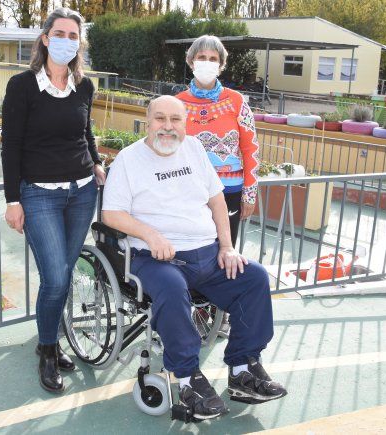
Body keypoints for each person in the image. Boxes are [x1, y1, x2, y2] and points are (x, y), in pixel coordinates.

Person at [102, 96, 286, 420]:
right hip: (155, 259)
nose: (168, 127)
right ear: (148, 121)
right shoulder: (129, 161)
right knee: (172, 290)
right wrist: (151, 234)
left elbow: (217, 201)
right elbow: (111, 214)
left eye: (176, 120)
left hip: (207, 253)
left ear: (185, 123)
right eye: (160, 119)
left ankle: (243, 369)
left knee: (254, 278)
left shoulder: (194, 149)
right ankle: (188, 380)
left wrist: (227, 247)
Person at [1, 7, 106, 394]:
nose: (66, 41)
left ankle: (53, 337)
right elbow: (10, 146)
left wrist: (95, 163)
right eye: (59, 33)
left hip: (82, 193)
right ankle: (47, 349)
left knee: (62, 272)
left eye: (73, 35)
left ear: (80, 43)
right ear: (45, 38)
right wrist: (14, 200)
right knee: (57, 278)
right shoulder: (22, 86)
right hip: (39, 195)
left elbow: (86, 132)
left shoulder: (85, 86)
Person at [175, 35, 261, 337]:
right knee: (191, 250)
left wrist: (250, 191)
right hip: (189, 193)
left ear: (221, 65)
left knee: (225, 252)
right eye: (202, 58)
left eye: (213, 59)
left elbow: (251, 150)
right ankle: (188, 310)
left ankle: (218, 314)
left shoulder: (238, 102)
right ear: (190, 62)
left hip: (231, 191)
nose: (207, 63)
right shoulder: (178, 103)